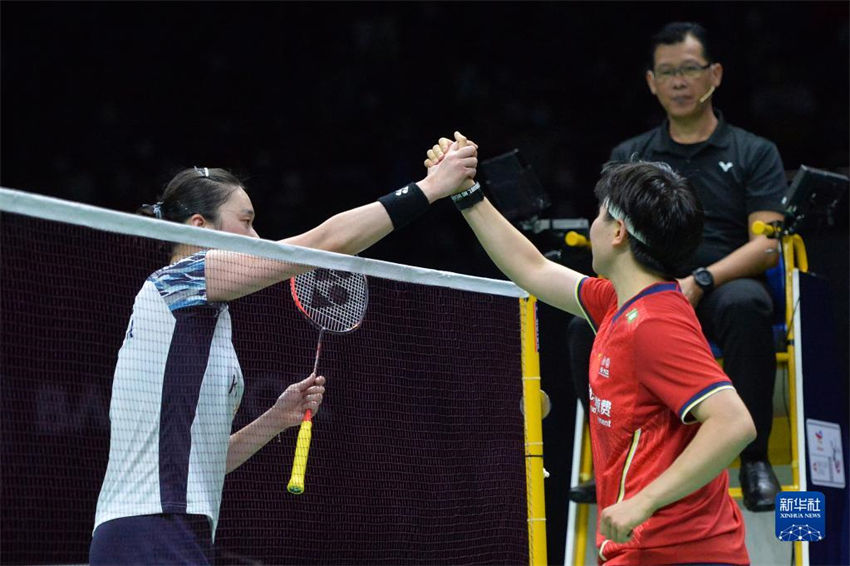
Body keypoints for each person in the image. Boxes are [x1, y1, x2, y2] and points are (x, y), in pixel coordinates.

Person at [90, 142, 478, 565]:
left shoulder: (203, 319)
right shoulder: (179, 283)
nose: (259, 238)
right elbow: (324, 242)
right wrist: (429, 188)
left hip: (175, 526)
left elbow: (203, 465)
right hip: (151, 528)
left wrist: (276, 418)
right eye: (247, 222)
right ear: (200, 227)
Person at [428, 135, 756, 563]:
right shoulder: (618, 302)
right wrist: (467, 193)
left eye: (600, 214)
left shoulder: (656, 324)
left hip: (680, 552)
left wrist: (645, 501)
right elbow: (534, 268)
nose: (592, 224)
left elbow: (734, 423)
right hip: (642, 550)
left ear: (619, 231)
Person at [568, 21, 787, 513]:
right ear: (651, 82)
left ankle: (753, 460)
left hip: (721, 284)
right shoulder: (633, 155)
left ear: (715, 74)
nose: (679, 82)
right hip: (646, 291)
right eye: (667, 73)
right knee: (581, 327)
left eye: (690, 69)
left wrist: (702, 279)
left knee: (749, 304)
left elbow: (768, 244)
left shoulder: (753, 152)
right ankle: (612, 459)